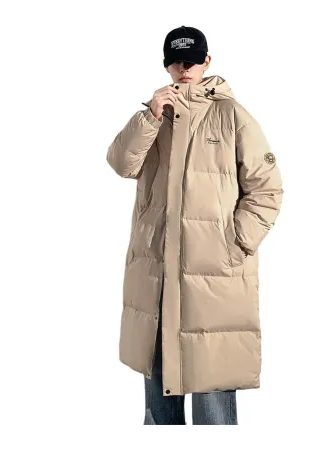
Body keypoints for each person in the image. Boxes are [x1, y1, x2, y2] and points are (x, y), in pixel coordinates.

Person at [106, 26, 284, 425]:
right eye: (176, 61)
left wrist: (235, 243)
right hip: (156, 277)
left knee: (213, 402)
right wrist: (149, 117)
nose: (184, 68)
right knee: (159, 403)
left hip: (214, 279)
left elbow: (267, 188)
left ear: (207, 62)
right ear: (166, 65)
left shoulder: (232, 116)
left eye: (191, 61)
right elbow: (121, 164)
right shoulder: (154, 117)